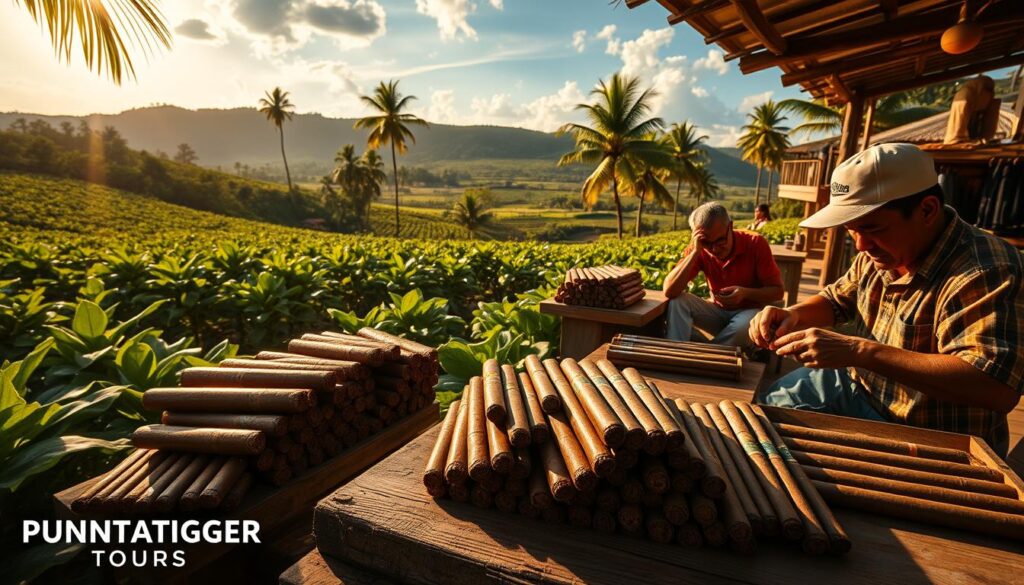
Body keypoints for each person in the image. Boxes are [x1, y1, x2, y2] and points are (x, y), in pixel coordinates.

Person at [751, 143, 1023, 456]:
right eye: (851, 230)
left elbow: (995, 389)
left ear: (927, 210)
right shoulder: (878, 252)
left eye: (872, 227)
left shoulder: (986, 270)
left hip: (929, 434)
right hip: (862, 388)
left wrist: (858, 351)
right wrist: (793, 315)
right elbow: (837, 299)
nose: (861, 244)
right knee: (768, 410)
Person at [662, 202, 784, 347]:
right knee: (678, 302)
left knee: (742, 326)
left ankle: (707, 355)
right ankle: (676, 352)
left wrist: (744, 293)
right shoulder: (699, 248)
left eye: (720, 240)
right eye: (707, 243)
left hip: (749, 313)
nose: (714, 249)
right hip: (716, 312)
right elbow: (670, 290)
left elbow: (777, 292)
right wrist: (695, 252)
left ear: (730, 227)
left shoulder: (755, 243)